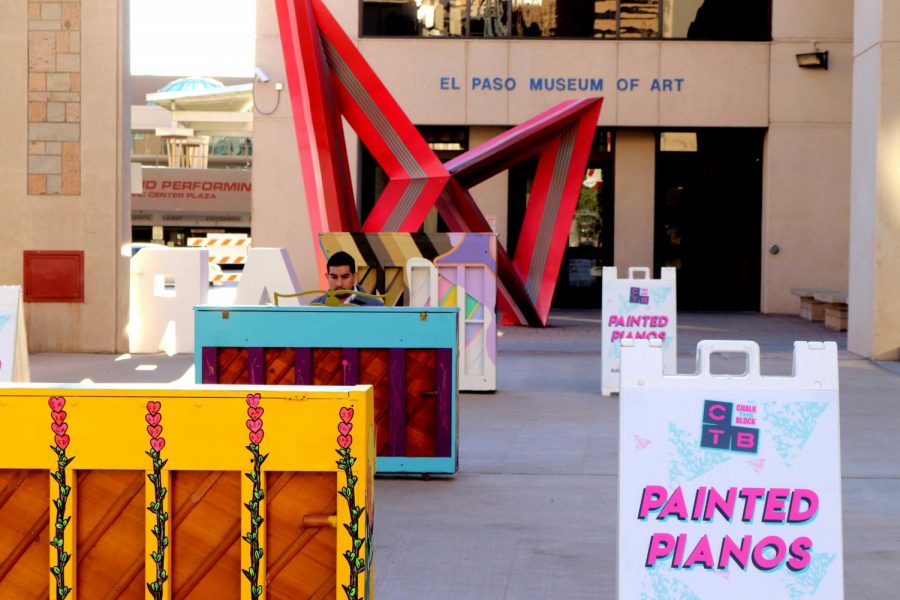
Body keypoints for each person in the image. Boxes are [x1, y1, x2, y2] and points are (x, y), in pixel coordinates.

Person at [311, 251, 385, 306]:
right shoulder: (314, 306)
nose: (339, 283)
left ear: (355, 276)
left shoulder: (376, 306)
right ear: (327, 277)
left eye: (345, 277)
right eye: (334, 277)